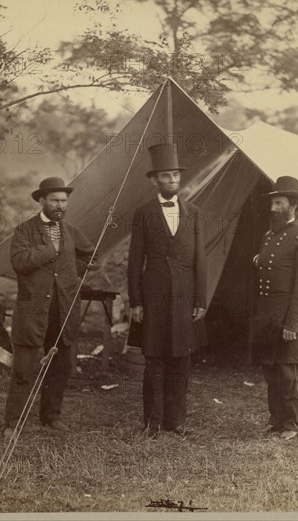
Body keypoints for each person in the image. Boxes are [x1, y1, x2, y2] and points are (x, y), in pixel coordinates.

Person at [3, 177, 95, 439]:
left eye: (64, 201)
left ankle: (51, 416)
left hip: (63, 309)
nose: (60, 205)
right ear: (41, 201)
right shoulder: (24, 231)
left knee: (60, 365)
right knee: (23, 368)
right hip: (32, 311)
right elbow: (19, 262)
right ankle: (13, 422)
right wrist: (49, 250)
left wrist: (72, 274)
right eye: (54, 200)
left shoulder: (72, 231)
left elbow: (91, 254)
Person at [127, 143, 207, 439]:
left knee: (181, 361)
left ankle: (177, 421)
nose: (173, 180)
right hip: (154, 295)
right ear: (154, 180)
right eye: (166, 176)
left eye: (176, 175)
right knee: (155, 360)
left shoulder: (195, 213)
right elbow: (135, 260)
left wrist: (200, 298)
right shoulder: (144, 213)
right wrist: (136, 301)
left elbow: (201, 259)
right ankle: (152, 421)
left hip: (185, 297)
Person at [252, 176, 298, 441]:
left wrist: (293, 323)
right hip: (267, 314)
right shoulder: (269, 236)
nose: (273, 208)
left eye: (279, 203)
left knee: (289, 372)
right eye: (272, 203)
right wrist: (259, 259)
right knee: (271, 370)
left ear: (293, 206)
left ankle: (292, 424)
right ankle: (277, 420)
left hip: (288, 314)